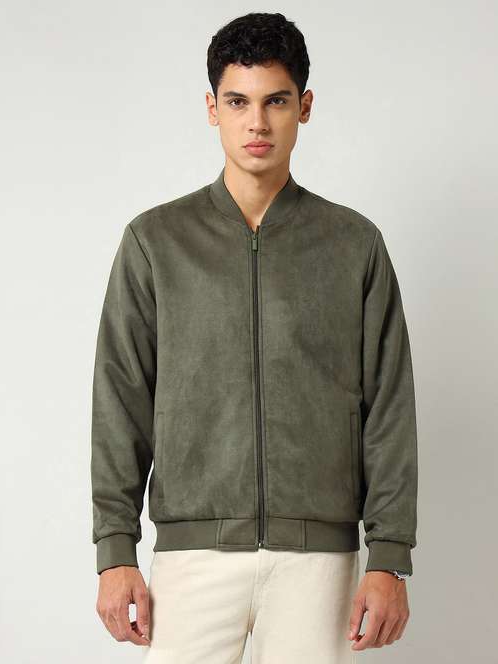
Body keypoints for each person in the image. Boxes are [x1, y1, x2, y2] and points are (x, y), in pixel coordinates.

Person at [91, 11, 418, 663]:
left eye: (276, 101)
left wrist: (388, 556)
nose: (257, 123)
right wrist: (115, 549)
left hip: (317, 564)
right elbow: (120, 399)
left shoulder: (353, 245)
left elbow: (388, 408)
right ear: (212, 108)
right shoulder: (156, 242)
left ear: (305, 107)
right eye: (238, 101)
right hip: (193, 558)